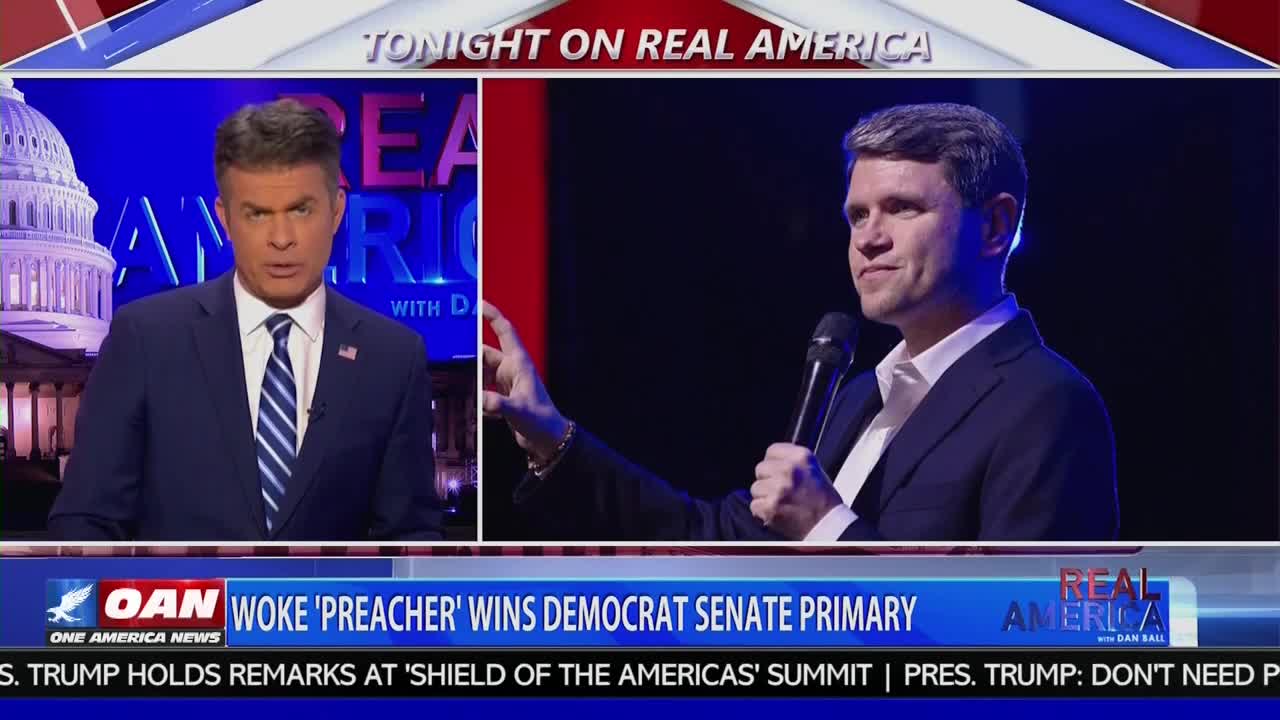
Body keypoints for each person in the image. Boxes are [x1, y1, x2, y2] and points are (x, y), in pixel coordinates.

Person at [484, 102, 1118, 541]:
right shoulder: (859, 396)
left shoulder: (1048, 405)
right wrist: (551, 436)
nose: (869, 238)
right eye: (857, 215)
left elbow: (1027, 642)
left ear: (996, 226)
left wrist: (827, 527)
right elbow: (715, 540)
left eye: (900, 208)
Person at [49, 99, 442, 541]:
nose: (281, 239)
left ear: (336, 212)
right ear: (226, 219)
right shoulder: (145, 339)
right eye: (257, 214)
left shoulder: (392, 358)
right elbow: (86, 526)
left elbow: (410, 544)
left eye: (301, 210)